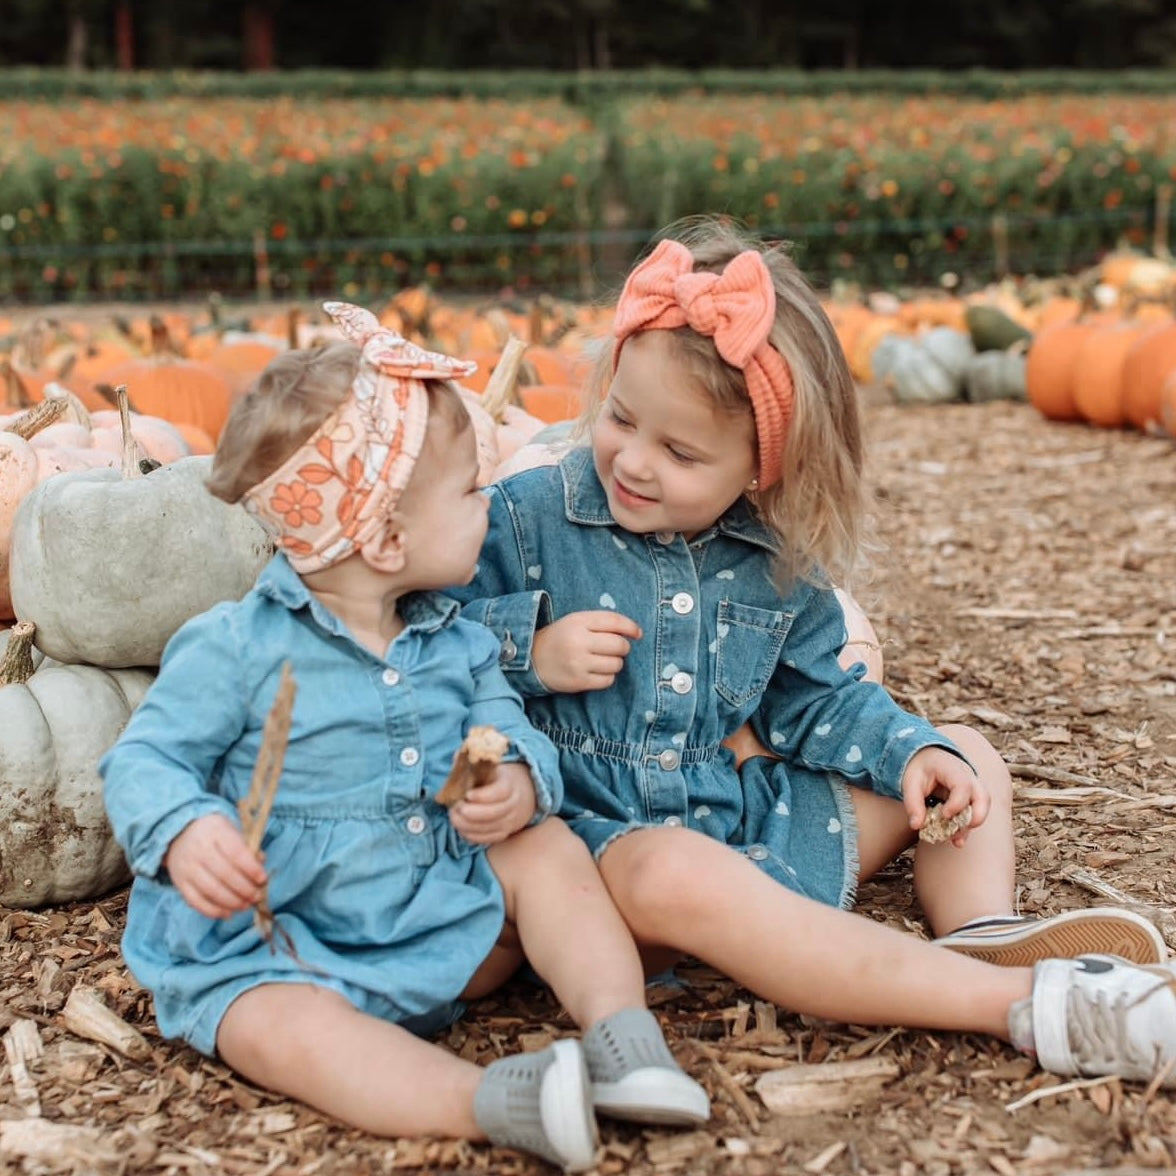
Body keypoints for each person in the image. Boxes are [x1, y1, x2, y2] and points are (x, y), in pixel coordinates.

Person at [447, 218, 1176, 1090]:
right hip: (601, 866)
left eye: (679, 451)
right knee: (672, 869)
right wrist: (530, 651)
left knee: (964, 757)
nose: (633, 461)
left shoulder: (772, 564)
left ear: (764, 467)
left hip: (744, 829)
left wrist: (914, 753)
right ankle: (1021, 1004)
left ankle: (980, 931)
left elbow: (821, 701)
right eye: (621, 417)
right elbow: (423, 639)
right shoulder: (525, 517)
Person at [99, 301, 710, 1174]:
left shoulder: (454, 637)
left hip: (432, 912)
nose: (488, 509)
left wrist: (513, 781)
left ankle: (624, 1038)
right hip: (281, 944)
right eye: (470, 494)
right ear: (385, 540)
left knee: (544, 851)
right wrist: (188, 828)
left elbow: (502, 726)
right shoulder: (237, 648)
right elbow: (143, 758)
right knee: (276, 1031)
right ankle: (502, 1102)